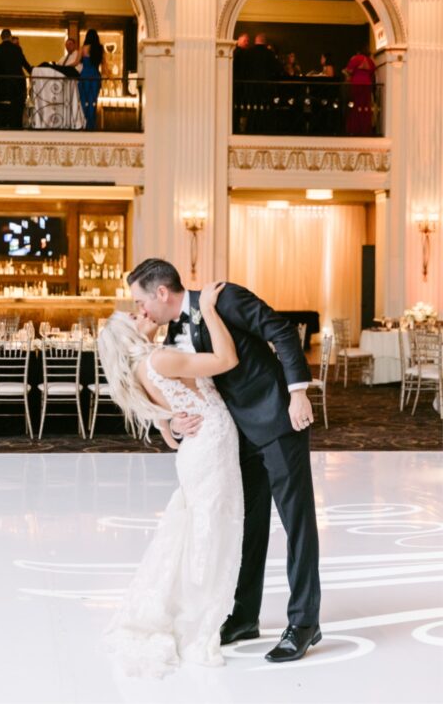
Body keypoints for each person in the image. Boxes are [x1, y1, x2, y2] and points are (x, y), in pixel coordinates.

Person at [127, 258, 321, 665]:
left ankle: (304, 622)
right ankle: (245, 616)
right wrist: (174, 417)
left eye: (141, 301)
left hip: (278, 420)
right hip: (238, 437)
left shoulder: (224, 297)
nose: (141, 310)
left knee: (296, 523)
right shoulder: (176, 329)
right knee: (250, 526)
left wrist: (299, 392)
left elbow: (282, 331)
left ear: (161, 293)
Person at [99, 281, 243, 677]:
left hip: (198, 451)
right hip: (209, 449)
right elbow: (227, 359)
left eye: (138, 307)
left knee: (197, 530)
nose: (142, 313)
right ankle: (198, 614)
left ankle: (191, 604)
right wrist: (210, 310)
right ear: (129, 334)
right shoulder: (160, 359)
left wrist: (175, 422)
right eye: (135, 316)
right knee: (208, 531)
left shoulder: (144, 368)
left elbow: (167, 428)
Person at [0, 28, 32, 129]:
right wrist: (33, 71)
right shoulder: (17, 49)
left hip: (3, 82)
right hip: (17, 81)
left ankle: (2, 124)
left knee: (3, 104)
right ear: (10, 37)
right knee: (17, 105)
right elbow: (24, 63)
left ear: (1, 38)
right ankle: (17, 125)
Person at [343, 47, 376, 136]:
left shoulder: (356, 58)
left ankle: (354, 128)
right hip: (367, 84)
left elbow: (348, 70)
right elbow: (372, 71)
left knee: (355, 106)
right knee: (365, 107)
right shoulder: (370, 61)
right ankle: (365, 129)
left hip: (356, 83)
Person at [78, 29, 103, 131]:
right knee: (93, 101)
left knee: (84, 100)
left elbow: (76, 62)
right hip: (95, 76)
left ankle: (84, 123)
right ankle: (91, 125)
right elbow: (104, 65)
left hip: (84, 76)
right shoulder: (99, 48)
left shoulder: (83, 48)